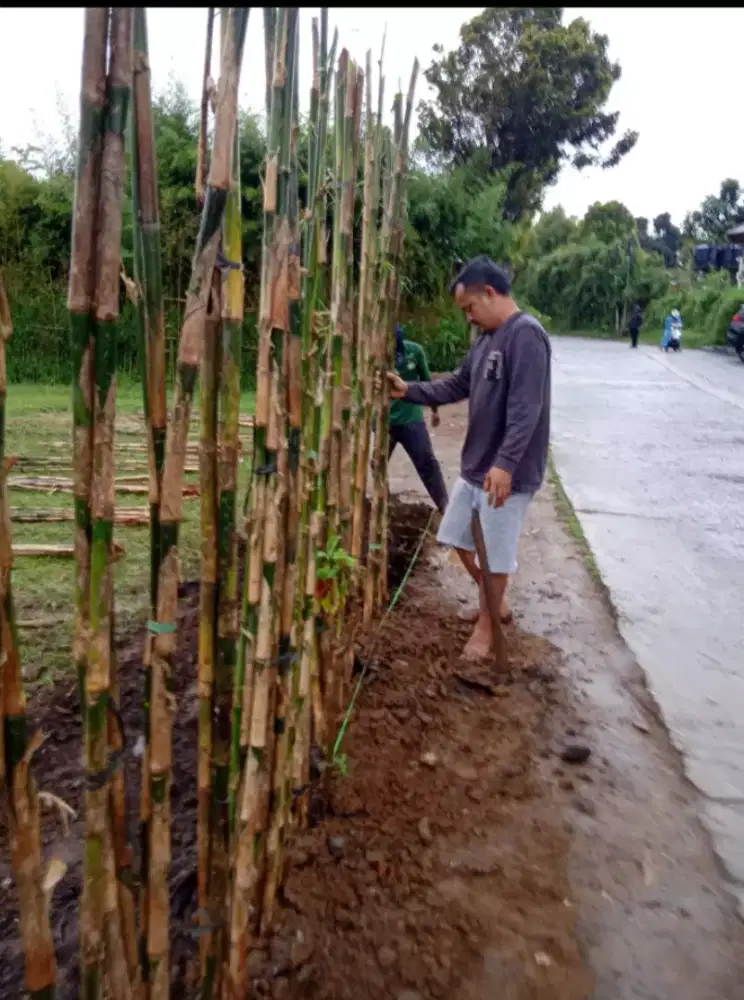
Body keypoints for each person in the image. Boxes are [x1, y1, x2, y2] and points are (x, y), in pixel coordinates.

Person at [387, 256, 551, 662]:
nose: (469, 317)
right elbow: (458, 384)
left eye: (470, 308)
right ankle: (494, 603)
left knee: (495, 554)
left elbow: (527, 408)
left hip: (507, 473)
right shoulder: (485, 339)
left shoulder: (526, 336)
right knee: (455, 535)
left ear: (489, 293)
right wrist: (409, 390)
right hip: (477, 465)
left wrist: (506, 463)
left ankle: (487, 628)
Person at [388, 325, 448, 515]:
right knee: (376, 462)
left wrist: (435, 410)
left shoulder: (415, 351)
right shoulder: (375, 355)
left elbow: (427, 382)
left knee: (427, 463)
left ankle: (444, 506)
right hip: (384, 420)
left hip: (411, 419)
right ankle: (384, 502)